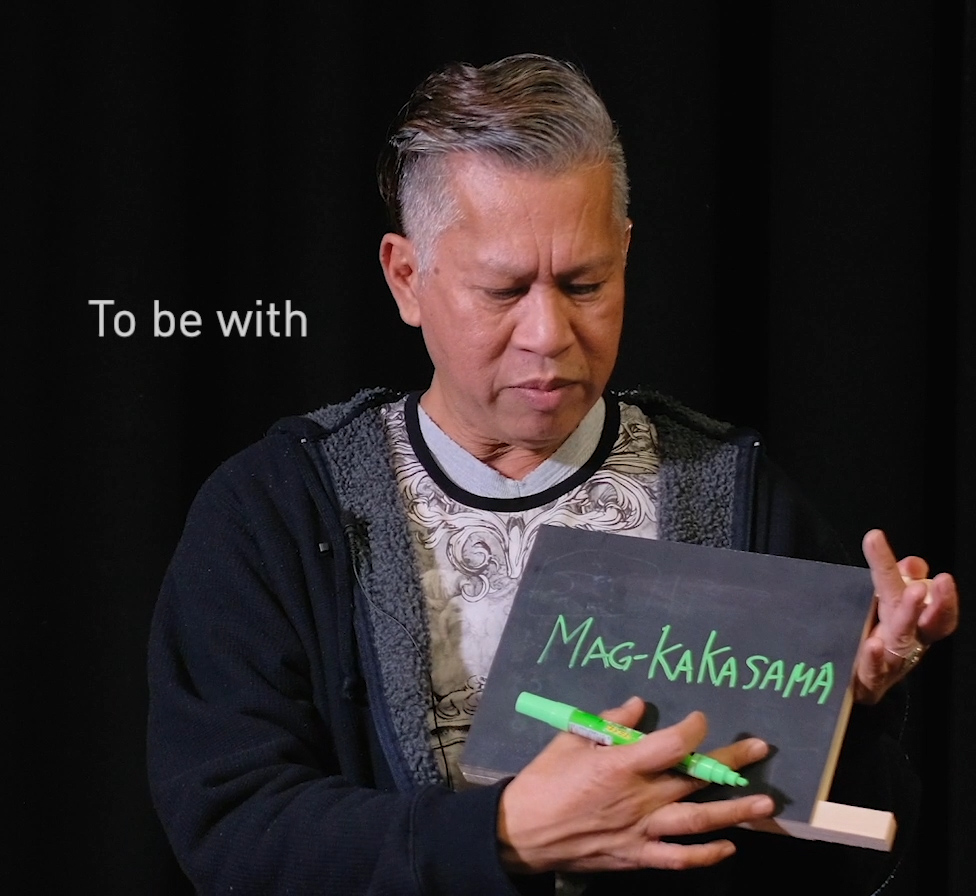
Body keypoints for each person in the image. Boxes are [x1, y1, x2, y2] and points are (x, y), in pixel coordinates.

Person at [147, 53, 959, 895]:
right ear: (405, 277)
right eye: (503, 290)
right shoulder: (276, 509)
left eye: (585, 283)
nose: (549, 334)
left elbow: (848, 859)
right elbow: (234, 830)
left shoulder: (730, 488)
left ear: (627, 254)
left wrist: (844, 718)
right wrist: (498, 837)